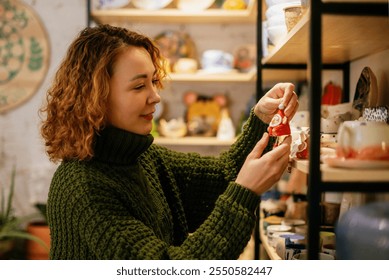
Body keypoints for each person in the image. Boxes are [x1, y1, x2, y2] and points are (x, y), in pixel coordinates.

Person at [39, 24, 298, 260]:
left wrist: (262, 117)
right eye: (139, 86)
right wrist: (245, 193)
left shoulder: (144, 158)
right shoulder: (82, 186)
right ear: (97, 97)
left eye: (153, 81)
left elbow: (223, 177)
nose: (156, 97)